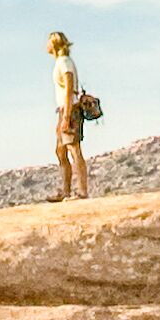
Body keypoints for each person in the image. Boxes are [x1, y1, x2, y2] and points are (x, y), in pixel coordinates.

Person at [48, 29, 90, 200]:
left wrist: (67, 115)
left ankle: (82, 191)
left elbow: (69, 85)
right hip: (64, 108)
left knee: (73, 148)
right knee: (61, 150)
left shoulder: (64, 62)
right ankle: (65, 191)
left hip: (69, 108)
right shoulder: (60, 62)